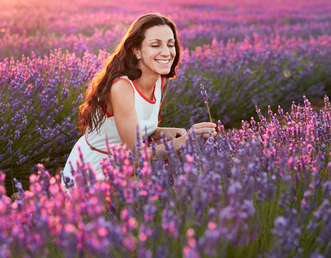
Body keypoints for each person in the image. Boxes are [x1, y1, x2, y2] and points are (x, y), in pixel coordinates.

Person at [62, 13, 216, 190]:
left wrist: (162, 132)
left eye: (170, 44)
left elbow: (131, 128)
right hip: (95, 169)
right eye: (155, 45)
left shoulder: (158, 79)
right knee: (156, 190)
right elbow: (135, 155)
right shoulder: (122, 88)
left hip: (124, 161)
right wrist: (186, 140)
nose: (166, 52)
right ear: (136, 50)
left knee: (191, 164)